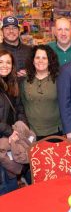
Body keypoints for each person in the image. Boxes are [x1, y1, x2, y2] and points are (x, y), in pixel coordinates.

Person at [0, 50, 29, 194]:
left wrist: (20, 129)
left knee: (11, 182)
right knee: (3, 184)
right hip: (4, 138)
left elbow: (19, 108)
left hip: (12, 138)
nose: (4, 65)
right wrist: (10, 132)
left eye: (8, 62)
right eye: (1, 62)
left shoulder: (12, 83)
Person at [21, 45, 62, 140]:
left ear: (50, 61)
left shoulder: (58, 79)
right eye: (37, 57)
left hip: (55, 131)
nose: (40, 60)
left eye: (44, 58)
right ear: (33, 60)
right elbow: (23, 104)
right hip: (32, 132)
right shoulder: (25, 81)